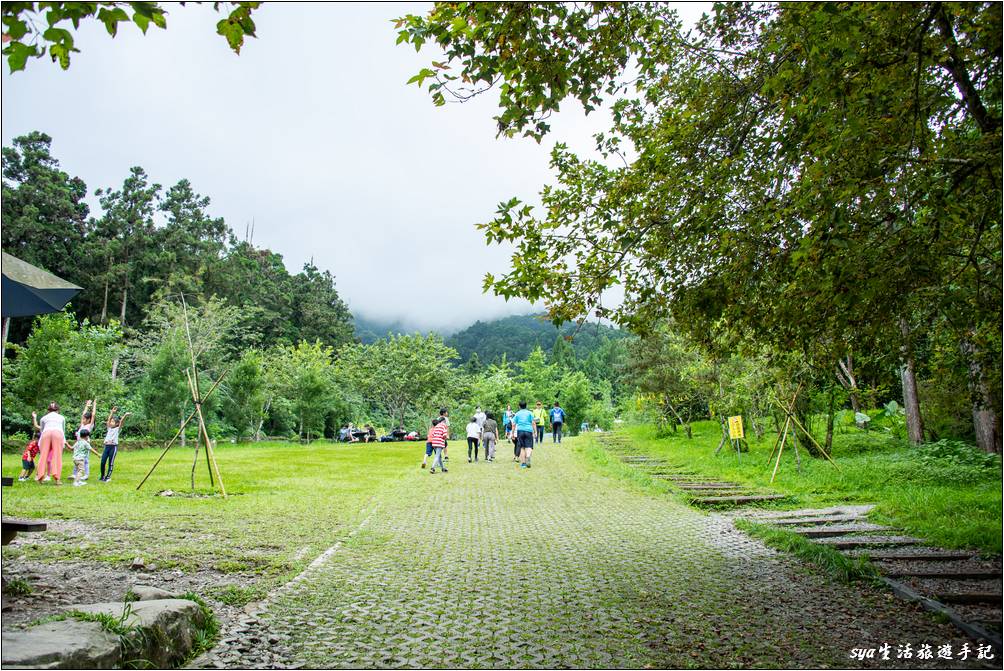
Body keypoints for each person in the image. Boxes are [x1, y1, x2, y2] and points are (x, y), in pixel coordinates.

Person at [32, 403, 66, 484]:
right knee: (57, 456)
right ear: (58, 410)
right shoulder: (62, 417)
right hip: (58, 433)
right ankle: (57, 479)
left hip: (46, 433)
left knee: (43, 456)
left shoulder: (44, 418)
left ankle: (40, 478)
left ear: (48, 410)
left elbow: (42, 430)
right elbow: (63, 430)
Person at [99, 406, 130, 483]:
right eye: (111, 421)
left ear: (116, 424)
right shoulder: (109, 428)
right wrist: (112, 412)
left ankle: (108, 477)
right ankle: (102, 476)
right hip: (107, 447)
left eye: (113, 422)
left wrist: (125, 415)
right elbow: (108, 420)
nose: (110, 422)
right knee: (103, 462)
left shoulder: (117, 429)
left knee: (111, 463)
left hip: (113, 447)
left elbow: (121, 422)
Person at [76, 399, 97, 481]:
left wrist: (94, 405)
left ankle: (86, 475)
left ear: (88, 420)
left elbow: (94, 415)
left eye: (85, 419)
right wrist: (87, 406)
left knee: (85, 460)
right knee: (77, 459)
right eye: (83, 419)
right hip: (79, 444)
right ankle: (76, 474)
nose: (83, 420)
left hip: (85, 444)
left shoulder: (89, 426)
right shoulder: (82, 425)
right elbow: (83, 414)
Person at [513, 401, 536, 468]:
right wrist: (535, 432)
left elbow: (513, 424)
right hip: (528, 431)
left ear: (519, 406)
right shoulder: (530, 413)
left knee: (522, 447)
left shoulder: (517, 414)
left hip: (520, 431)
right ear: (526, 406)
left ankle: (523, 463)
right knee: (529, 447)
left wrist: (512, 433)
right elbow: (533, 423)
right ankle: (528, 457)